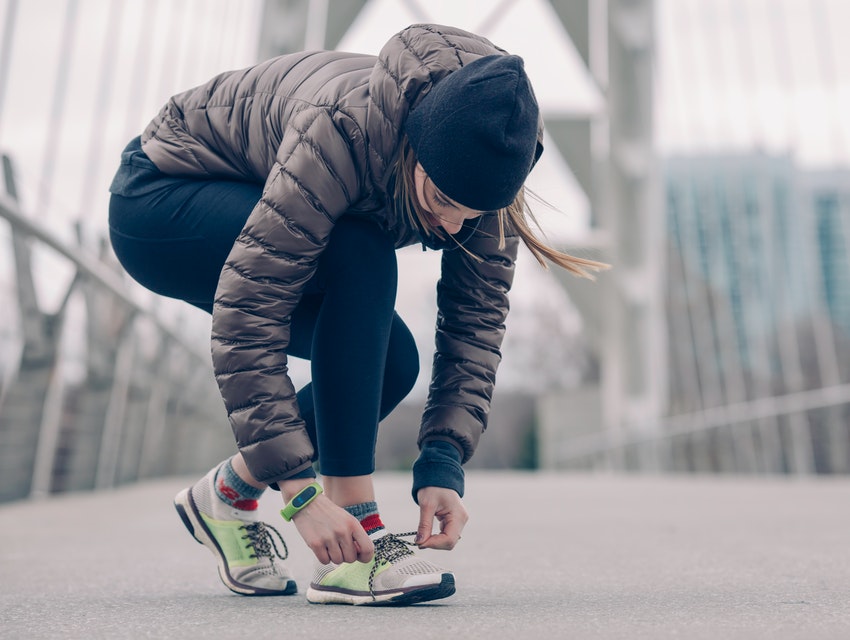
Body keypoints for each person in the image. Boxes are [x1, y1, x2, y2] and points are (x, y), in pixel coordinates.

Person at [107, 23, 603, 606]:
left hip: (256, 209)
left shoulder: (492, 165)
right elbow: (248, 314)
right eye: (442, 201)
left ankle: (227, 493)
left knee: (390, 362)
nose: (452, 227)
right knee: (361, 251)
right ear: (416, 150)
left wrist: (443, 461)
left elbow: (476, 324)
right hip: (162, 198)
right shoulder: (341, 131)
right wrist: (298, 492)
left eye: (472, 214)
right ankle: (357, 528)